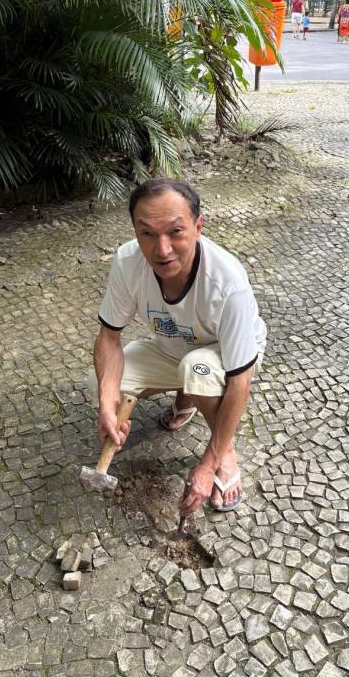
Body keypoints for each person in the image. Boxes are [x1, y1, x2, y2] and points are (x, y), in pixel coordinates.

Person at [92, 179, 267, 516]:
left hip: (226, 357)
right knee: (101, 381)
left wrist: (207, 463)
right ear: (134, 231)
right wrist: (106, 403)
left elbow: (239, 381)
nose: (162, 249)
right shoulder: (127, 261)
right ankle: (186, 400)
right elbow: (109, 338)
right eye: (147, 234)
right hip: (172, 346)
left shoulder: (227, 282)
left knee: (196, 370)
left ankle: (225, 452)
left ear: (198, 227)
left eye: (175, 232)